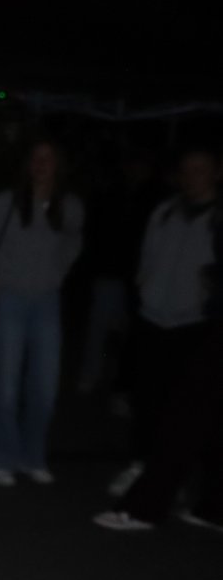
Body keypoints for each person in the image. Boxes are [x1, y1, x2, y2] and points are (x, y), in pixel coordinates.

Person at [94, 145, 221, 531]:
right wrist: (145, 291)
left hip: (197, 326)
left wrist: (207, 291)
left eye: (201, 169)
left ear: (216, 172)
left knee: (184, 416)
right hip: (155, 318)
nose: (193, 176)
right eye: (187, 169)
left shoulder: (217, 217)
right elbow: (147, 257)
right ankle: (198, 500)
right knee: (156, 404)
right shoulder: (165, 211)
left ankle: (148, 503)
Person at [0, 140, 86, 486]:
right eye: (36, 158)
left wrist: (58, 273)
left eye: (48, 158)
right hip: (9, 299)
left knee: (45, 386)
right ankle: (1, 457)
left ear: (59, 165)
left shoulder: (70, 206)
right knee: (6, 384)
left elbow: (74, 242)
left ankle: (33, 456)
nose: (41, 164)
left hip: (47, 301)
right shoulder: (6, 203)